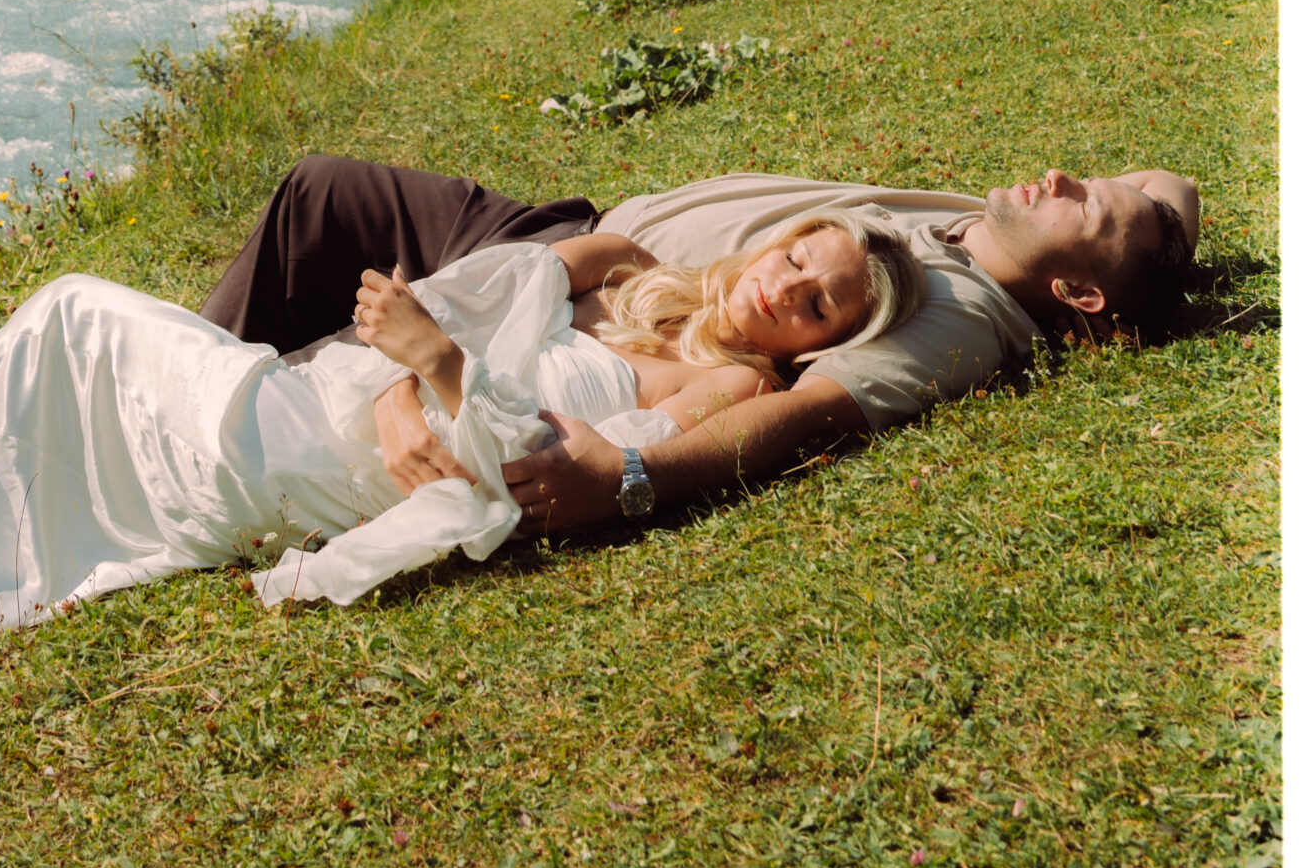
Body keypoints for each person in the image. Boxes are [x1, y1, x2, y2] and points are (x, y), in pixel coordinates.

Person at [0, 208, 920, 721]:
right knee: (69, 343)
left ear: (819, 340)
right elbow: (495, 280)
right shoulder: (630, 268)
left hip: (342, 468)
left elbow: (561, 470)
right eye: (796, 257)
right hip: (324, 397)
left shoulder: (735, 386)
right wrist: (415, 358)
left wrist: (436, 369)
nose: (785, 288)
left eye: (818, 304)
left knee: (75, 311)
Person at [198, 153, 1201, 535]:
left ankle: (211, 410)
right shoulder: (976, 233)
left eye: (1086, 207)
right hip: (591, 253)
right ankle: (235, 392)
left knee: (322, 201)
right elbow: (1170, 182)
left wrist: (631, 477)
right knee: (323, 198)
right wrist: (1151, 214)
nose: (1062, 174)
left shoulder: (962, 319)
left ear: (1074, 288)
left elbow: (803, 413)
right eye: (1084, 177)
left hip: (563, 288)